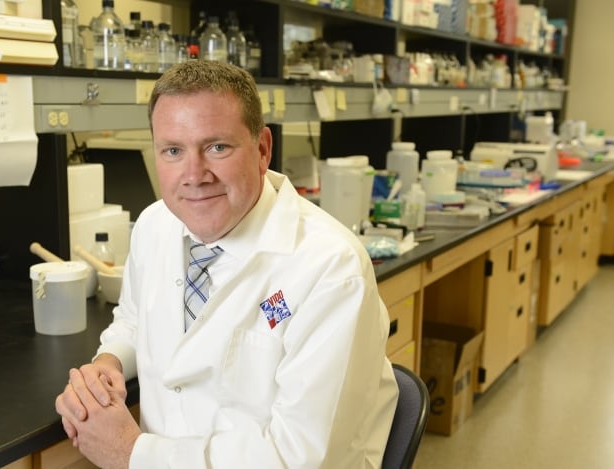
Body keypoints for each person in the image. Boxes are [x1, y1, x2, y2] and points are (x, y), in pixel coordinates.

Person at [55, 60, 398, 468]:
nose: (194, 175)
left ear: (262, 149)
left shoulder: (331, 268)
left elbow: (302, 457)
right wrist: (108, 362)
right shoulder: (155, 225)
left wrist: (132, 454)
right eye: (173, 151)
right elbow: (133, 319)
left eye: (217, 147)